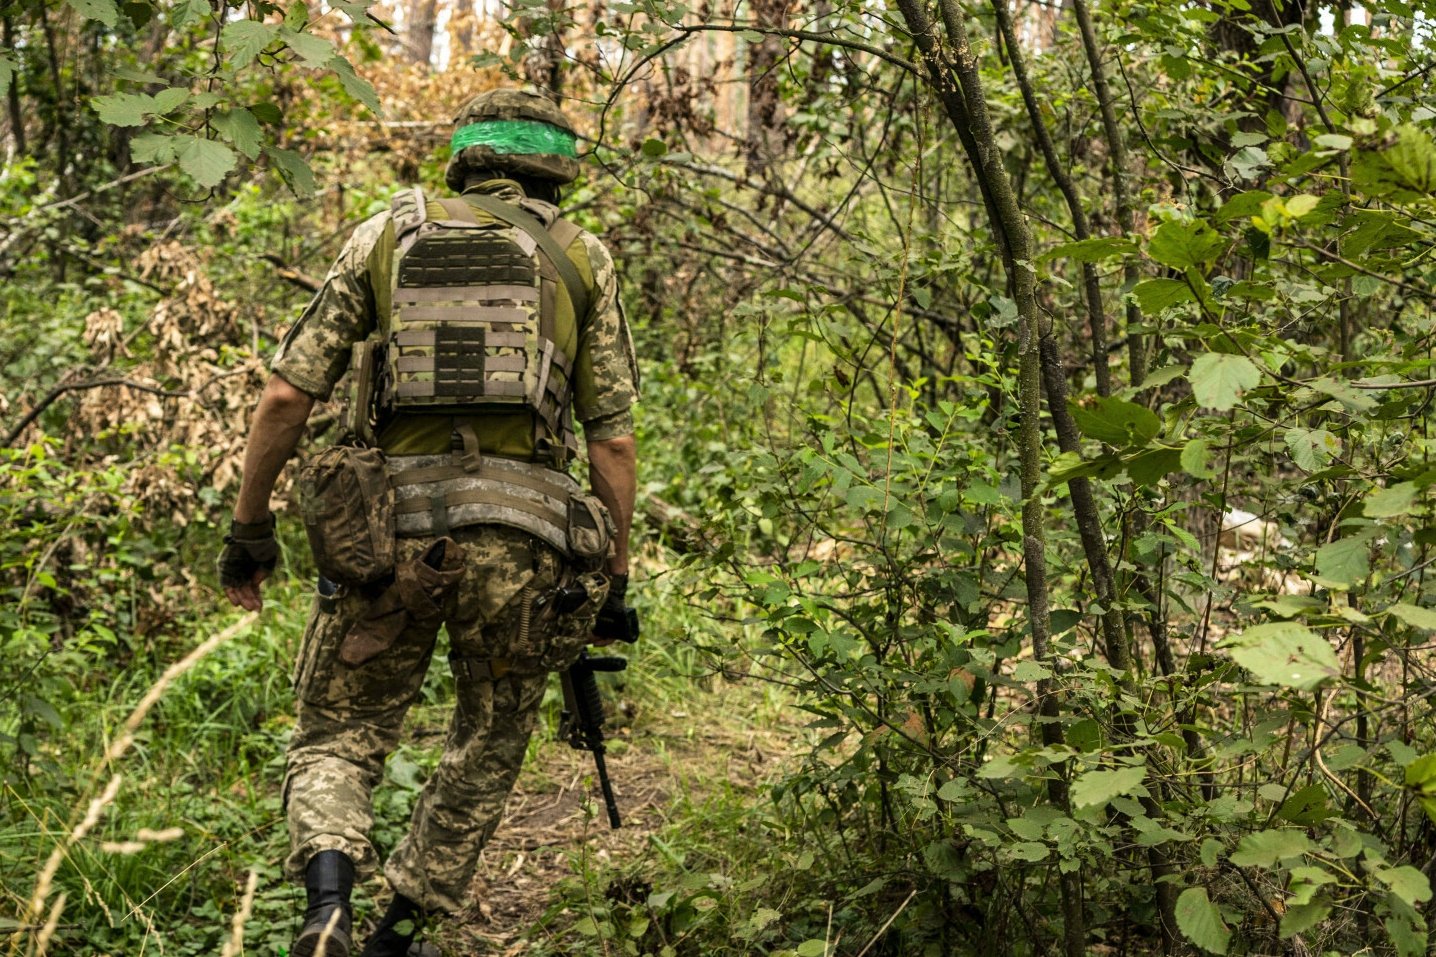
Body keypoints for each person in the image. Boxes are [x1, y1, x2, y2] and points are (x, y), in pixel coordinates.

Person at [217, 88, 640, 957]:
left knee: (340, 729)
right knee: (487, 741)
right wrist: (614, 581)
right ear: (555, 169)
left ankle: (327, 901)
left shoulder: (385, 236)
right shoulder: (583, 258)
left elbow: (287, 396)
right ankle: (394, 939)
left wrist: (249, 529)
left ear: (465, 156)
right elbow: (614, 448)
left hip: (385, 537)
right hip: (521, 550)